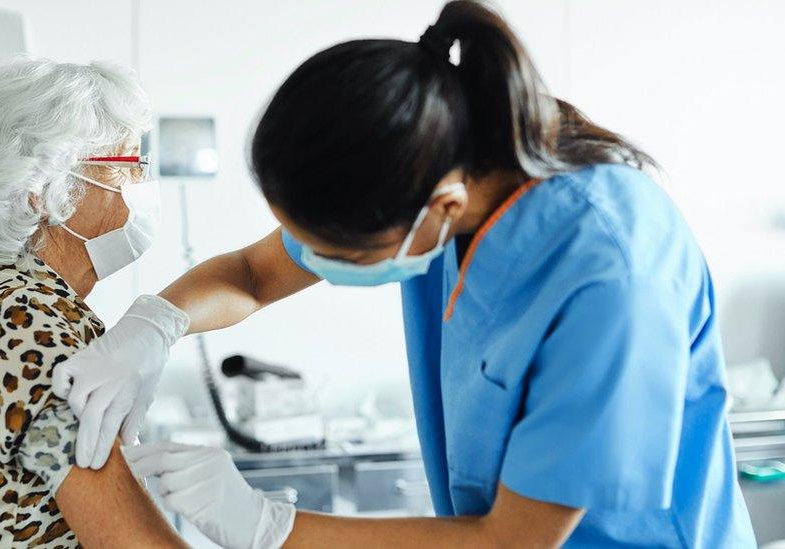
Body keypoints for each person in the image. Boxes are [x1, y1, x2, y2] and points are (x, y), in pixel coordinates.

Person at [54, 1, 757, 547]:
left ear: (439, 208)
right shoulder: (440, 185)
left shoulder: (611, 273)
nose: (310, 261)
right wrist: (152, 325)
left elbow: (513, 539)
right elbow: (252, 274)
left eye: (336, 251)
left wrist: (266, 526)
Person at [0, 57, 187, 548]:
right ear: (40, 192)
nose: (143, 186)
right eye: (127, 164)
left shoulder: (7, 300)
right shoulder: (24, 329)